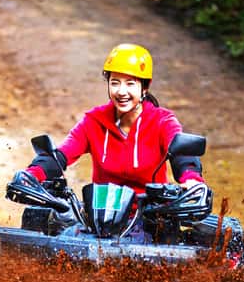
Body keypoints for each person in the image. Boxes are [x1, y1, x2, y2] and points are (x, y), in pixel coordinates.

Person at [23, 43, 204, 192]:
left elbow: (182, 156)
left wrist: (192, 180)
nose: (121, 91)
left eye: (130, 84)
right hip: (100, 217)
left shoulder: (162, 122)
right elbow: (62, 154)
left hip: (151, 217)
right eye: (115, 82)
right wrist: (32, 174)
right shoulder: (94, 120)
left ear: (145, 87)